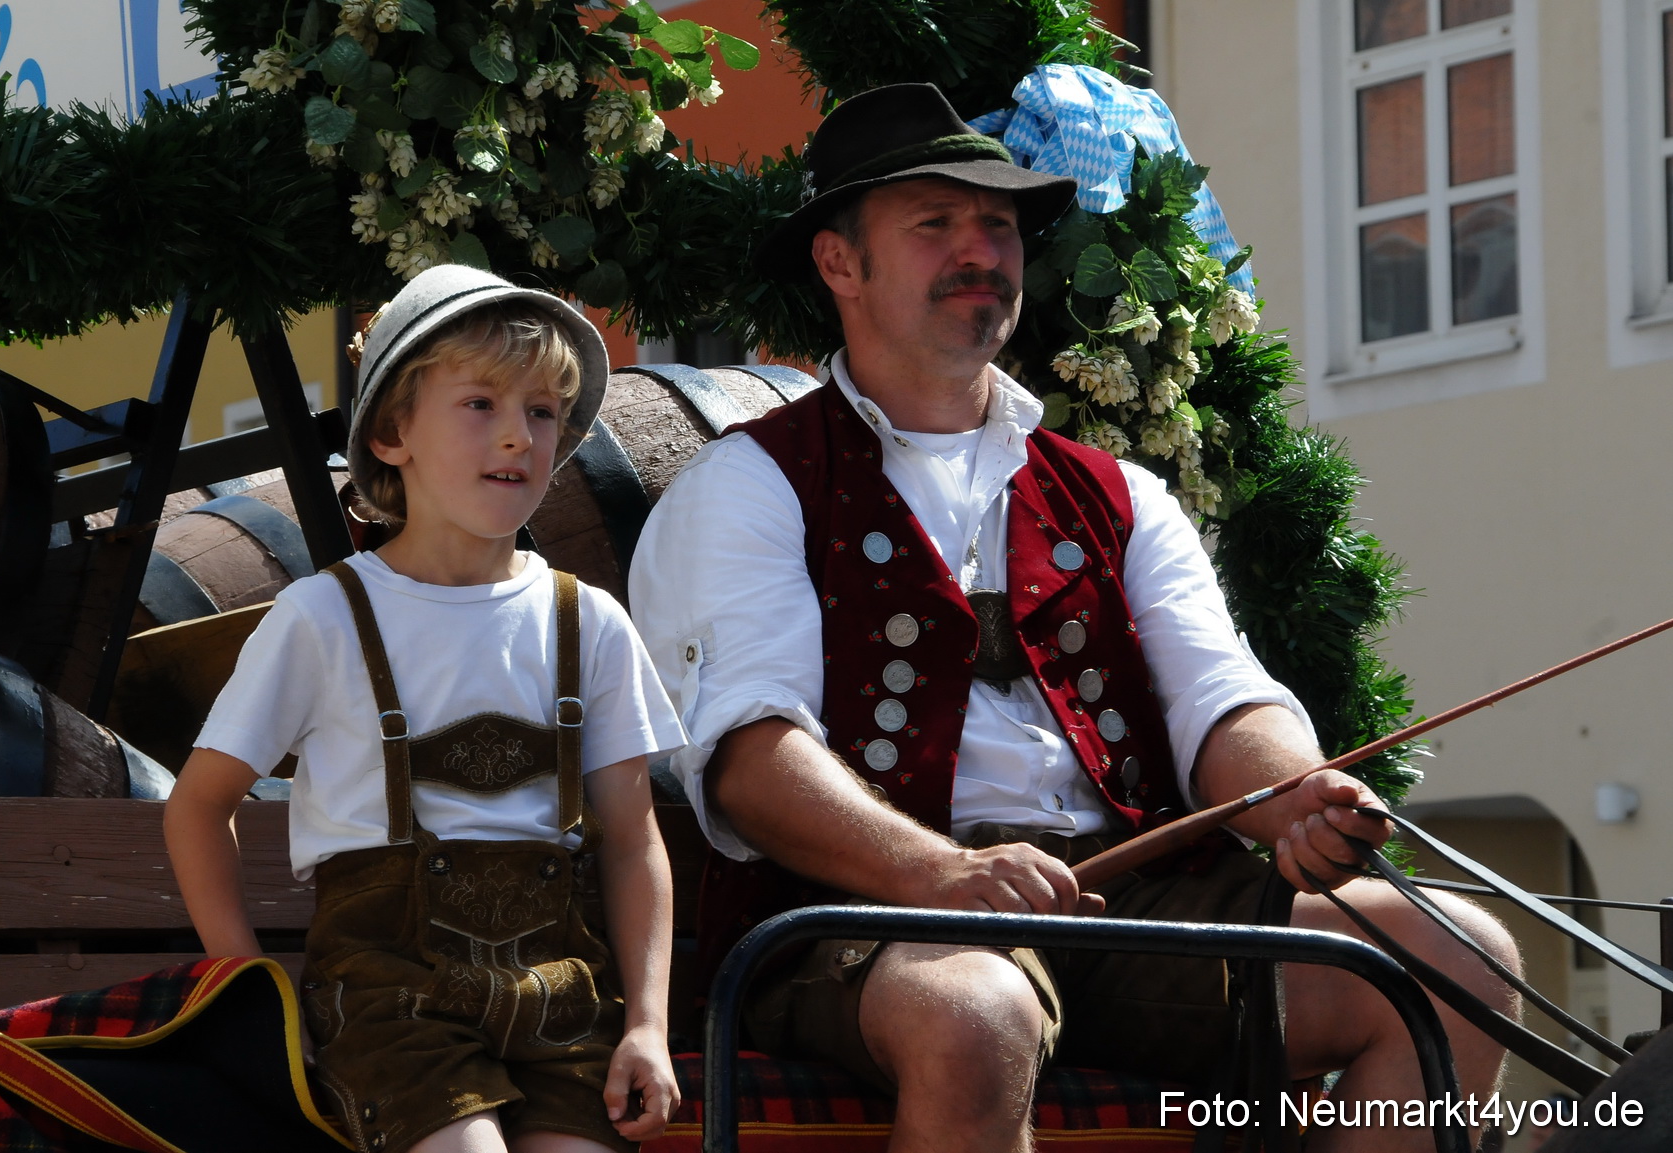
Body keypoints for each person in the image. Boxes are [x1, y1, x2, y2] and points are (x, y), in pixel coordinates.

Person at [629, 84, 1519, 1153]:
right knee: (975, 1013)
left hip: (1125, 899)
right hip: (864, 914)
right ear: (839, 263)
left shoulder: (1117, 492)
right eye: (935, 223)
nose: (981, 250)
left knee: (1459, 961)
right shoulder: (749, 485)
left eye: (999, 226)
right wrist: (940, 875)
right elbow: (749, 757)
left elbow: (1217, 696)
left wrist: (1296, 794)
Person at [166, 265, 685, 1153]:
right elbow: (197, 806)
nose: (518, 434)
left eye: (542, 410)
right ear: (392, 432)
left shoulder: (588, 621)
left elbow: (634, 840)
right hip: (387, 1000)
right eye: (480, 403)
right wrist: (253, 988)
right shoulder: (323, 616)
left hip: (562, 998)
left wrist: (647, 1023)